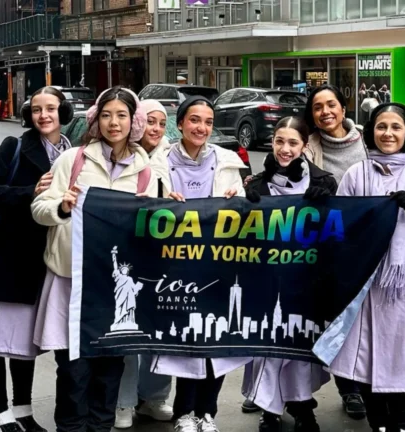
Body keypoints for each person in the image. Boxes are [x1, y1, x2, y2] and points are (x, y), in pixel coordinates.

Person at [31, 86, 160, 432]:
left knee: (109, 373)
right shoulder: (72, 160)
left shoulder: (146, 172)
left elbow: (152, 228)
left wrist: (167, 212)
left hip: (111, 294)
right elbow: (39, 208)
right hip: (71, 286)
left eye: (121, 115)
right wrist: (62, 207)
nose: (113, 123)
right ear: (96, 119)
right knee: (73, 372)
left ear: (133, 121)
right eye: (106, 115)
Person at [330, 102, 405, 432]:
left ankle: (401, 423)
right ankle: (379, 424)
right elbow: (337, 230)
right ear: (371, 132)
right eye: (381, 126)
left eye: (396, 127)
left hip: (404, 288)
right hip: (365, 287)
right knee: (367, 364)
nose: (388, 133)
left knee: (400, 363)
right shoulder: (356, 174)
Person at [0, 86, 73, 432]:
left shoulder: (71, 151)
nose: (44, 115)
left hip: (42, 262)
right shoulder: (14, 146)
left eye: (51, 108)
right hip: (4, 260)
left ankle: (23, 412)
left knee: (24, 342)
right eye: (37, 109)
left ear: (63, 111)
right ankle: (1, 416)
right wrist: (30, 192)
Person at [149, 95, 248, 432]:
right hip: (176, 266)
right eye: (194, 120)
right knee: (186, 342)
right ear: (180, 124)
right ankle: (184, 413)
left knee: (217, 341)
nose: (201, 128)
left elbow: (244, 209)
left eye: (208, 122)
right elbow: (143, 205)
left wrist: (238, 200)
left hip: (218, 263)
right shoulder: (159, 162)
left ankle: (207, 413)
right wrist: (161, 201)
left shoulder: (226, 160)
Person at [241, 116, 337, 432]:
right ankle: (269, 408)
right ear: (272, 142)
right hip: (267, 277)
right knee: (268, 345)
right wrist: (245, 205)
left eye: (293, 142)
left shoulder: (324, 182)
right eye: (279, 141)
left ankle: (302, 406)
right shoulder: (256, 184)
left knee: (300, 344)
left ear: (304, 146)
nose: (285, 149)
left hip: (307, 278)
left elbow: (336, 230)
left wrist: (327, 203)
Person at [301, 83, 368, 420]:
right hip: (327, 246)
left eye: (331, 105)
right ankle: (348, 388)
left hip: (368, 241)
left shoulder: (368, 139)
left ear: (343, 108)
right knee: (338, 318)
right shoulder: (308, 147)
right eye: (318, 107)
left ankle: (371, 383)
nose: (325, 112)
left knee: (366, 318)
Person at [113, 98, 174, 429]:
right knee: (128, 332)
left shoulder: (170, 157)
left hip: (163, 257)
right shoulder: (122, 155)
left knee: (160, 330)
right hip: (128, 255)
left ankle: (154, 397)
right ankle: (123, 401)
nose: (156, 128)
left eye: (162, 123)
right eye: (150, 121)